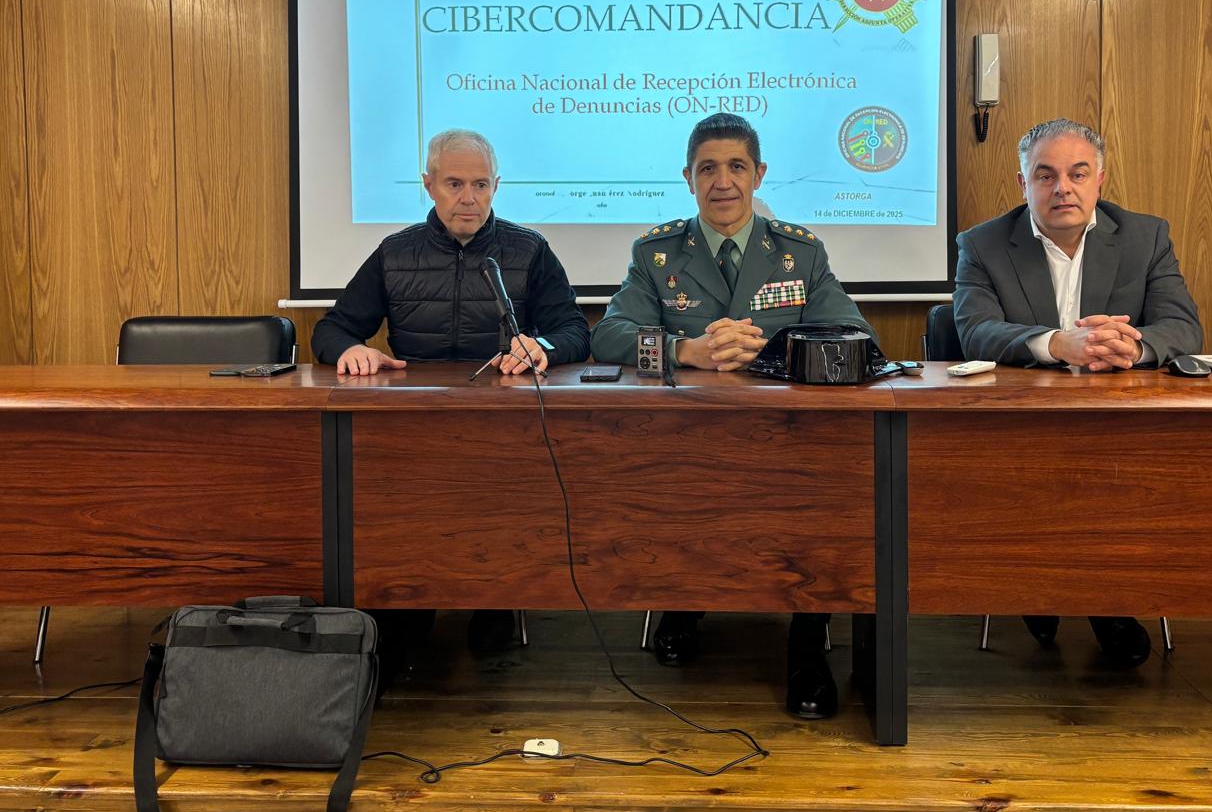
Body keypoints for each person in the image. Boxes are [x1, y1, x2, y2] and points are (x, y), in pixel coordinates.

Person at [591, 112, 870, 719]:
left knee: (823, 504)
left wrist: (769, 353)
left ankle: (807, 638)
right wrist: (681, 350)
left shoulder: (799, 252)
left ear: (759, 174)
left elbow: (855, 337)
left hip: (789, 445)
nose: (723, 182)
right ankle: (684, 602)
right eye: (708, 168)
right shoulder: (657, 252)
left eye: (737, 167)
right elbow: (608, 337)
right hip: (688, 441)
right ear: (688, 178)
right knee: (673, 493)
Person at [312, 128, 591, 662]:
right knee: (403, 513)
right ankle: (408, 611)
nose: (470, 198)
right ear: (429, 185)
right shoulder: (394, 254)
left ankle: (494, 604)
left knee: (498, 508)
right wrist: (353, 350)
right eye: (455, 184)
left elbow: (576, 331)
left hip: (504, 427)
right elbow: (331, 330)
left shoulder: (529, 250)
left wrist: (544, 347)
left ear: (496, 186)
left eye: (481, 184)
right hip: (412, 425)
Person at [952, 116, 1203, 665]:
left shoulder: (1145, 236)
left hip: (1119, 426)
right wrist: (1058, 344)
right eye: (1045, 175)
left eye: (1077, 173)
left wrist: (1130, 348)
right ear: (1024, 185)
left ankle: (1100, 597)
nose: (1062, 187)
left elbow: (1183, 326)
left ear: (1099, 181)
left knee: (1123, 480)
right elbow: (975, 330)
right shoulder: (983, 244)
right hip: (1019, 429)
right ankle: (1049, 588)